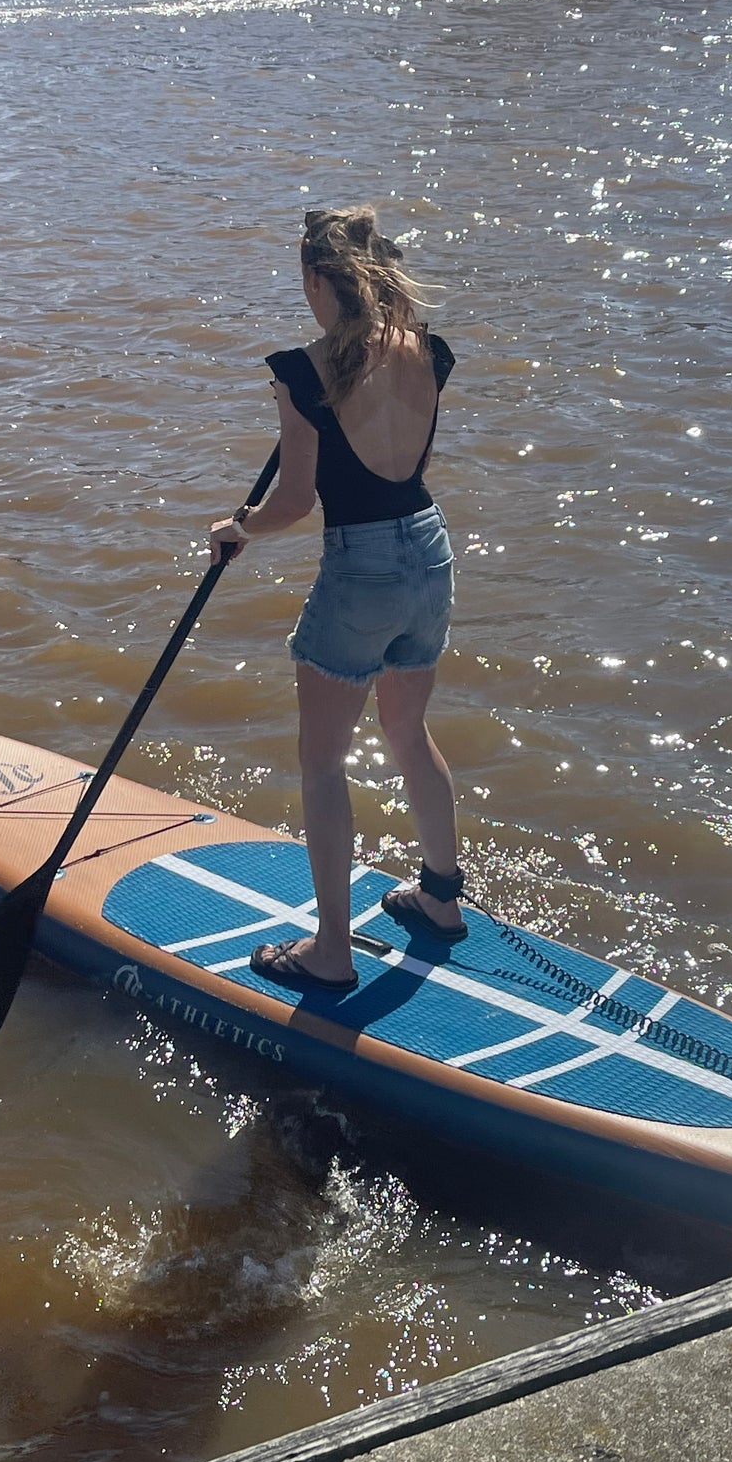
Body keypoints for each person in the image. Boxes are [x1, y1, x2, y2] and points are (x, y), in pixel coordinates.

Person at [208, 207, 463, 992]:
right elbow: (402, 460)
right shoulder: (428, 350)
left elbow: (293, 502)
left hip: (363, 569)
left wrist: (237, 527)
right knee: (407, 729)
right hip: (429, 550)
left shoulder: (302, 370)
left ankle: (329, 952)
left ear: (318, 278)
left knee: (321, 761)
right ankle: (441, 899)